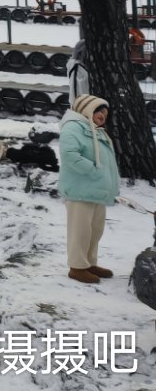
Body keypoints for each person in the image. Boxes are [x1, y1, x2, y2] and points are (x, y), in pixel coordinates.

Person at [60, 94, 121, 284]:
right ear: (87, 109)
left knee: (95, 229)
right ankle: (77, 267)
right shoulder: (73, 127)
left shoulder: (96, 130)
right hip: (80, 190)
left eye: (105, 112)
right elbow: (69, 155)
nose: (103, 115)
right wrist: (93, 170)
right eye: (99, 110)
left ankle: (89, 263)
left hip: (96, 190)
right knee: (80, 230)